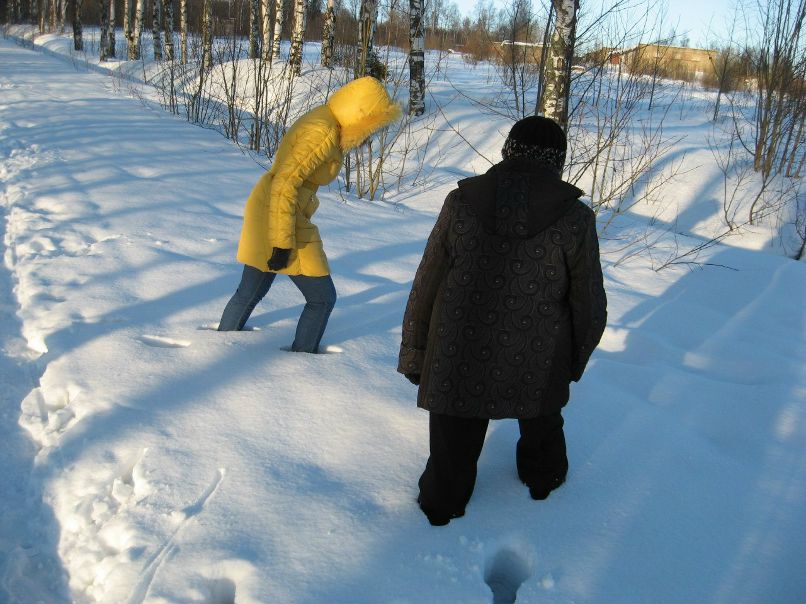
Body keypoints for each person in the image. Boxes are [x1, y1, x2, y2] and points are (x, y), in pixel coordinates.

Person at [398, 116, 607, 526]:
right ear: (558, 162)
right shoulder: (575, 218)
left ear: (507, 151)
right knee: (542, 420)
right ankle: (543, 482)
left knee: (452, 436)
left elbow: (427, 283)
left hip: (457, 347)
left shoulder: (461, 203)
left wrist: (416, 352)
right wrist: (573, 362)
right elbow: (589, 302)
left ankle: (442, 506)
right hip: (538, 353)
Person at [219, 76, 401, 352]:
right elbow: (285, 183)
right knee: (322, 298)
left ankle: (218, 347)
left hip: (272, 209)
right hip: (280, 215)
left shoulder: (326, 121)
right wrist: (282, 242)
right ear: (361, 116)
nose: (371, 136)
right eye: (372, 127)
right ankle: (302, 366)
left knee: (251, 291)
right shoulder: (323, 133)